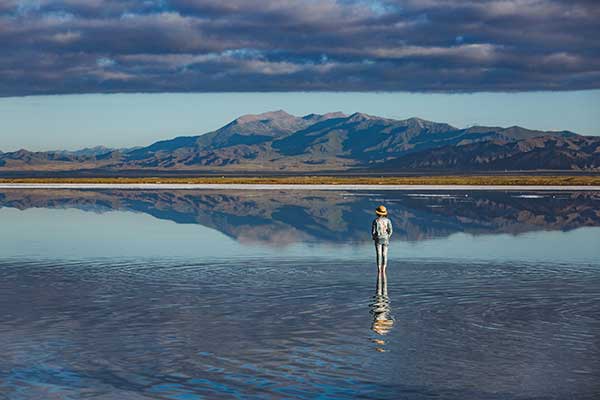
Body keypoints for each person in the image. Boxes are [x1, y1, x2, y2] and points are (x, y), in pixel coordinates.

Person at [371, 205, 393, 272]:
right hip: (386, 239)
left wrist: (374, 237)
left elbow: (373, 231)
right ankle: (384, 269)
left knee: (379, 254)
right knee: (384, 254)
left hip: (378, 239)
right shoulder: (388, 220)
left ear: (377, 213)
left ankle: (379, 269)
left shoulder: (376, 221)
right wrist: (388, 236)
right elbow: (391, 230)